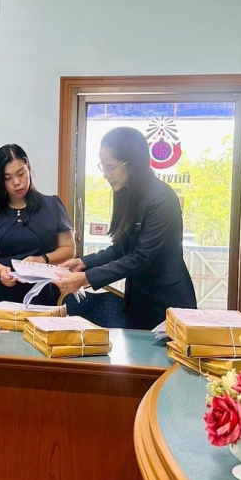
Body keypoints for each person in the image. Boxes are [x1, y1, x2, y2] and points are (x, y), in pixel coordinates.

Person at [55, 127, 197, 330]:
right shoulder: (129, 193)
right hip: (139, 299)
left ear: (133, 163)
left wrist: (86, 278)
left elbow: (141, 257)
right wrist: (84, 262)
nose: (106, 175)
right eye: (103, 167)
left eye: (110, 167)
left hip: (167, 301)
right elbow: (121, 248)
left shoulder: (162, 199)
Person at [0, 144, 75, 305]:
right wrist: (2, 271)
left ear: (29, 168)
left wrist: (42, 259)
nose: (17, 182)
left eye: (21, 173)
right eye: (7, 178)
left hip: (44, 293)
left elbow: (69, 249)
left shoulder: (52, 205)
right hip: (0, 294)